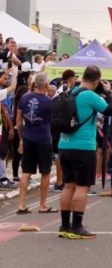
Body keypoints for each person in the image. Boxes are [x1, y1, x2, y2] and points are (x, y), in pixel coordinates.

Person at [58, 66, 112, 239]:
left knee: (68, 185)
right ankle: (77, 227)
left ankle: (65, 226)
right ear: (97, 81)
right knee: (82, 187)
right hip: (83, 147)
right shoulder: (90, 95)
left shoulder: (70, 92)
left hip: (64, 144)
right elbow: (111, 110)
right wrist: (109, 92)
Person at [16, 73, 55, 213]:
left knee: (26, 171)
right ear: (45, 85)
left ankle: (21, 204)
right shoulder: (49, 102)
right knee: (45, 171)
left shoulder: (24, 98)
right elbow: (54, 123)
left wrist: (21, 138)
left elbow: (19, 120)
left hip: (28, 137)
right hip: (43, 139)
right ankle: (42, 204)